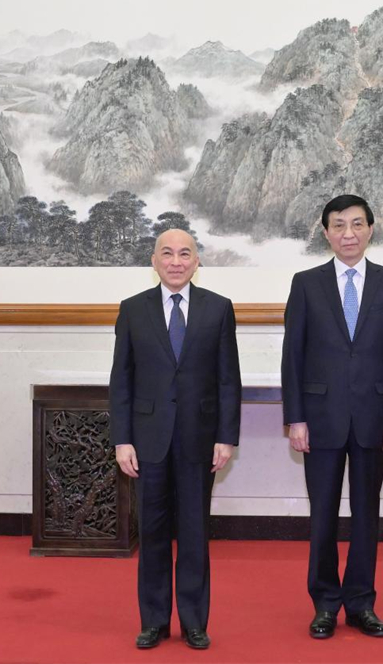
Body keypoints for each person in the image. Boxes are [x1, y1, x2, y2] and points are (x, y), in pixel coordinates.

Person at [281, 194, 383, 639]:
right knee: (321, 516)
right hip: (319, 418)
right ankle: (324, 603)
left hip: (375, 418)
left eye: (357, 224)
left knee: (366, 515)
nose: (348, 233)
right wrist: (295, 419)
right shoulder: (306, 283)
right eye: (339, 225)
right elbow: (292, 357)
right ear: (326, 232)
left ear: (371, 229)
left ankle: (360, 603)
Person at [109, 229, 241, 650]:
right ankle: (153, 621)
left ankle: (194, 621)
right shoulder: (132, 310)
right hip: (147, 442)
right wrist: (122, 439)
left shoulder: (218, 309)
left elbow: (228, 380)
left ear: (197, 261)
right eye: (167, 253)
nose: (176, 261)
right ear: (154, 260)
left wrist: (226, 436)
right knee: (150, 533)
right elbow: (122, 381)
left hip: (199, 440)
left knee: (194, 532)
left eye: (185, 253)